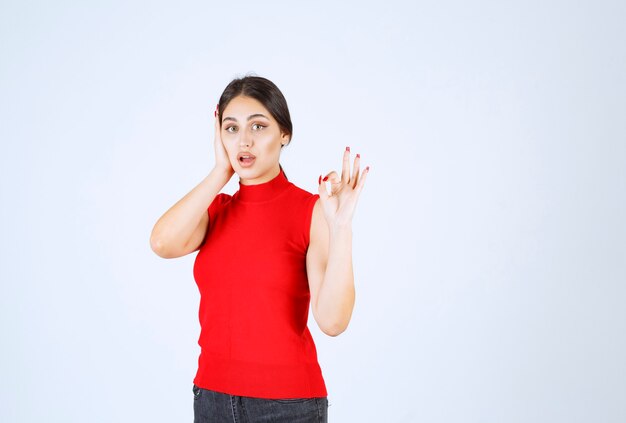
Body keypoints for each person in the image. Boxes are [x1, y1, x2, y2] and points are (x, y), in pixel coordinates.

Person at [150, 75, 369, 423]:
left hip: (288, 407)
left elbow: (332, 321)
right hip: (211, 399)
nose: (245, 140)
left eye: (258, 126)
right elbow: (162, 243)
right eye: (231, 128)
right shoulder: (215, 209)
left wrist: (340, 227)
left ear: (285, 134)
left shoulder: (311, 210)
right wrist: (220, 171)